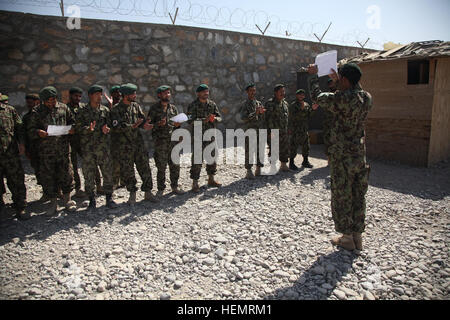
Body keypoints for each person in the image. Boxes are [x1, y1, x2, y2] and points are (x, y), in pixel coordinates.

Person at [308, 63, 372, 251]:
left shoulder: (340, 99)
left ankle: (346, 238)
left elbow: (317, 97)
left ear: (344, 80)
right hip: (359, 156)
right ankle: (357, 236)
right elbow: (354, 91)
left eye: (340, 78)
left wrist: (313, 76)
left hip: (342, 156)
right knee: (358, 194)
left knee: (342, 194)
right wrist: (340, 81)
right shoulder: (367, 98)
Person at [28, 86, 77, 216]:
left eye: (53, 99)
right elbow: (30, 130)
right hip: (46, 152)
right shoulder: (36, 112)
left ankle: (68, 201)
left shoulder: (63, 108)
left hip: (63, 150)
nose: (51, 102)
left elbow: (73, 122)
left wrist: (72, 129)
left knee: (66, 175)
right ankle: (53, 204)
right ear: (43, 100)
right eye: (48, 100)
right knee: (49, 178)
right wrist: (38, 132)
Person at [110, 83, 158, 204]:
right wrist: (132, 126)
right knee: (128, 170)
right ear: (125, 95)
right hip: (124, 145)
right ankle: (132, 194)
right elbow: (115, 127)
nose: (135, 95)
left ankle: (148, 192)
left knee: (145, 167)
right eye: (133, 93)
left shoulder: (135, 106)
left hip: (138, 143)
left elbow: (141, 119)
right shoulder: (116, 109)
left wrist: (145, 125)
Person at [75, 85, 118, 210]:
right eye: (97, 94)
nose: (99, 97)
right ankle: (92, 200)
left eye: (100, 94)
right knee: (89, 174)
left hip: (103, 148)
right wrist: (88, 129)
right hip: (88, 149)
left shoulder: (105, 110)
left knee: (107, 173)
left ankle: (109, 198)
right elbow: (77, 128)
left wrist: (107, 129)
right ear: (90, 96)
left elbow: (110, 125)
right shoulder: (82, 111)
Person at [147, 85, 184, 197]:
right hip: (160, 143)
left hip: (173, 142)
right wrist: (158, 124)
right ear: (159, 95)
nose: (167, 95)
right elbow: (148, 126)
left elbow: (176, 125)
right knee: (161, 167)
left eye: (168, 93)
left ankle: (174, 186)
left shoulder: (173, 109)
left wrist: (178, 125)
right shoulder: (154, 109)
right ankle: (160, 189)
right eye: (164, 93)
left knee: (175, 165)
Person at [187, 84, 222, 193]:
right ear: (198, 93)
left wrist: (214, 119)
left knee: (212, 157)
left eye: (207, 91)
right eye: (204, 92)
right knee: (197, 159)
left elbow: (219, 117)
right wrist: (204, 120)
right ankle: (195, 183)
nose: (206, 93)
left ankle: (211, 179)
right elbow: (189, 120)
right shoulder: (193, 105)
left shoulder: (212, 104)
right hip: (198, 136)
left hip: (210, 135)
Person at [0, 99, 28, 220]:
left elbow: (19, 128)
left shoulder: (9, 110)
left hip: (10, 153)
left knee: (16, 180)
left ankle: (20, 207)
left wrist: (21, 143)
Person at [239, 83, 265, 179]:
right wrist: (256, 113)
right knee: (249, 151)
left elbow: (262, 118)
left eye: (254, 90)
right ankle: (249, 171)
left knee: (260, 150)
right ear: (247, 92)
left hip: (259, 130)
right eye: (251, 90)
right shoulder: (245, 104)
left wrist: (262, 113)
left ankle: (258, 168)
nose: (253, 92)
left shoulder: (258, 103)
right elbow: (244, 118)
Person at [288, 89, 318, 170]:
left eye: (302, 95)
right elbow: (293, 117)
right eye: (299, 94)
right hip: (296, 129)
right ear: (296, 95)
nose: (301, 96)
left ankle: (305, 161)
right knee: (293, 146)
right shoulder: (293, 105)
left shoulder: (306, 105)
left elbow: (309, 115)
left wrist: (313, 109)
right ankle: (291, 163)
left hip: (304, 129)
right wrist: (301, 109)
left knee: (306, 146)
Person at [22, 93, 44, 197]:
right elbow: (25, 134)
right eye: (27, 103)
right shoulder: (26, 118)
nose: (29, 105)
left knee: (51, 170)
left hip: (45, 148)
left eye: (31, 103)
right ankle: (46, 191)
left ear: (37, 102)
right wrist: (26, 149)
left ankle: (57, 191)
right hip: (33, 149)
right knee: (38, 171)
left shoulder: (43, 115)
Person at [265, 84, 290, 173]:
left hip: (284, 131)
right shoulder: (270, 103)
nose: (283, 93)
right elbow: (267, 119)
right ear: (275, 93)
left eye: (283, 91)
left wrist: (288, 129)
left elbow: (287, 117)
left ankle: (283, 165)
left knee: (284, 148)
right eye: (281, 92)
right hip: (273, 132)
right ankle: (273, 166)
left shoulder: (285, 104)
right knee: (274, 149)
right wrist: (269, 131)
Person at [323, 78, 337, 162]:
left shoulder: (340, 93)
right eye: (331, 83)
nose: (332, 85)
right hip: (328, 121)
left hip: (338, 121)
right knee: (328, 140)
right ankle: (329, 159)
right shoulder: (327, 95)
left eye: (333, 83)